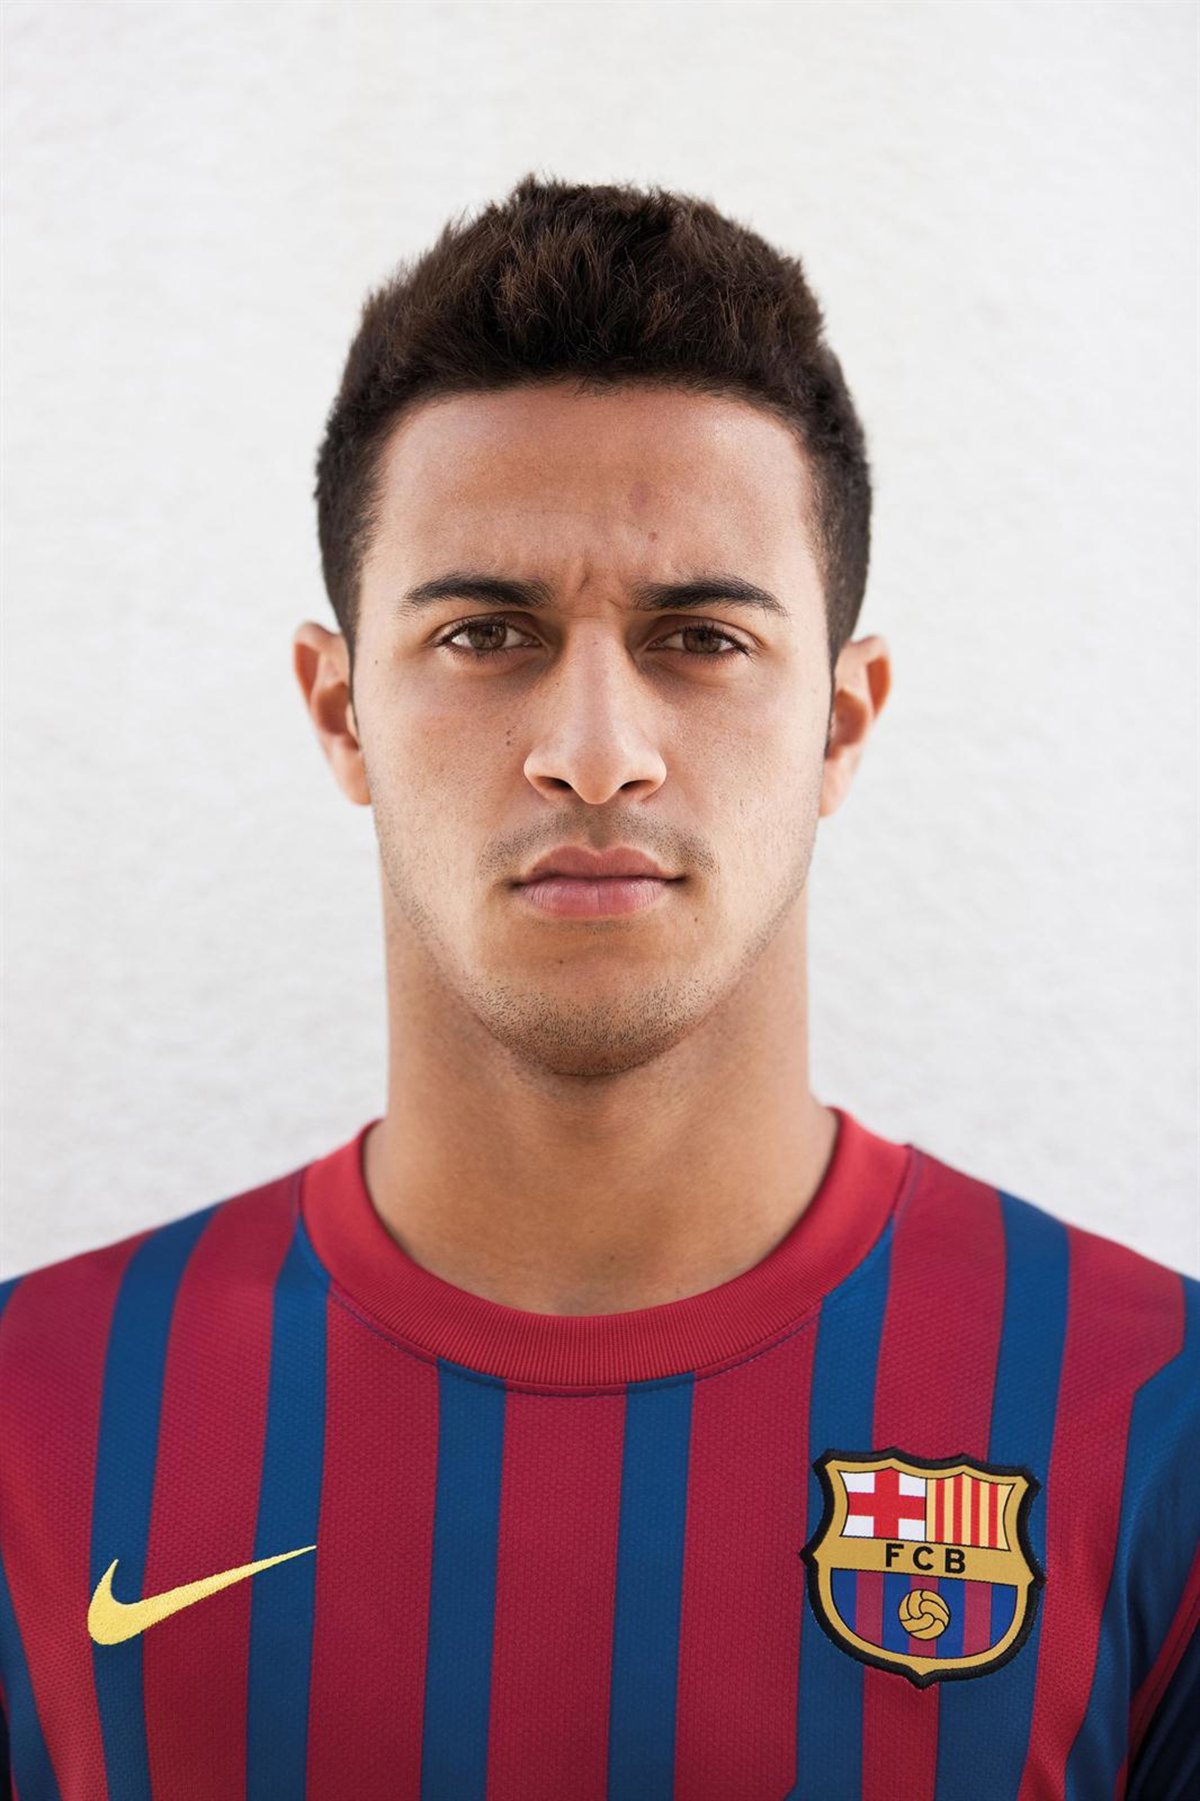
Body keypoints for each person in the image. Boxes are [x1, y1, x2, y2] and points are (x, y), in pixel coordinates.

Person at [0, 174, 1194, 1801]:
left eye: (699, 636)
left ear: (842, 722)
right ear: (340, 711)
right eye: (486, 633)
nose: (594, 751)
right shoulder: (38, 1414)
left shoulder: (1153, 1414)